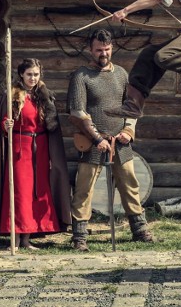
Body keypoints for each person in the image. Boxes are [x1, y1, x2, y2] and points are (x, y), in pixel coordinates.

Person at [68, 29, 154, 251]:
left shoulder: (122, 75)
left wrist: (128, 130)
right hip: (93, 142)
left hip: (120, 142)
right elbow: (78, 112)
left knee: (130, 185)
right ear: (91, 49)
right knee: (84, 188)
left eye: (106, 49)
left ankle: (139, 229)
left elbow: (132, 107)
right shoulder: (81, 76)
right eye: (98, 50)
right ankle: (79, 236)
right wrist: (97, 138)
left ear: (112, 48)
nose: (103, 54)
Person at [0, 58, 71, 250]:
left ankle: (27, 238)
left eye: (36, 74)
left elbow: (51, 126)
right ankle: (15, 239)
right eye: (29, 74)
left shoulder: (44, 95)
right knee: (20, 193)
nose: (33, 78)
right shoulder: (12, 95)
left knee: (36, 192)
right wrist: (6, 125)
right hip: (19, 148)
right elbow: (4, 121)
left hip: (40, 148)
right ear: (21, 75)